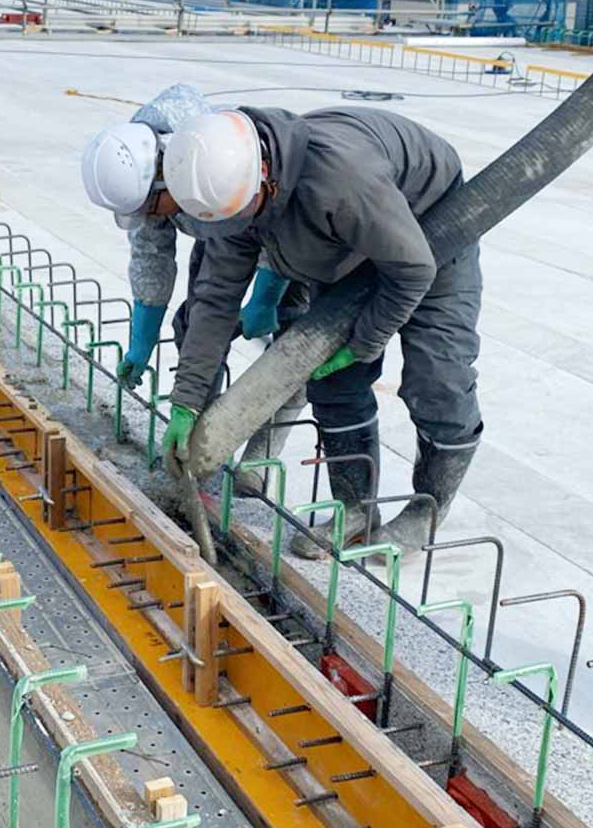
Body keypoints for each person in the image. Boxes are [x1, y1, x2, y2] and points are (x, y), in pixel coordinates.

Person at [157, 108, 483, 560]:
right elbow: (214, 301)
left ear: (265, 177)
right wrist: (187, 400)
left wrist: (366, 342)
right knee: (330, 381)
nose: (239, 233)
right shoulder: (232, 194)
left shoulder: (339, 181)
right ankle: (355, 508)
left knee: (438, 377)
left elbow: (412, 269)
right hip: (348, 240)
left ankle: (427, 511)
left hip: (432, 225)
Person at [80, 85, 307, 493]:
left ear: (169, 184)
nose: (150, 218)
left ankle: (260, 457)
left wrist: (267, 293)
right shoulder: (143, 171)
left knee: (293, 352)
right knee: (197, 329)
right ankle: (201, 439)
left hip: (291, 232)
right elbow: (152, 252)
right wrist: (142, 337)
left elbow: (277, 221)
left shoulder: (216, 159)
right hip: (218, 232)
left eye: (151, 209)